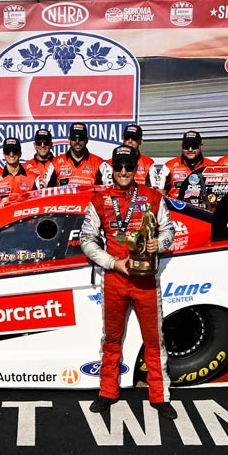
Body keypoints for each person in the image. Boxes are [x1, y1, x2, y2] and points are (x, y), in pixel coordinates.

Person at [80, 145, 176, 416]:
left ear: (136, 169)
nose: (123, 171)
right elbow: (86, 239)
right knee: (111, 338)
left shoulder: (152, 197)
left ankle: (160, 396)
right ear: (112, 169)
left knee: (154, 339)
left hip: (146, 281)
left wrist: (160, 243)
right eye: (119, 166)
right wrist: (113, 263)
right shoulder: (100, 200)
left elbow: (169, 230)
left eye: (129, 166)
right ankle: (107, 391)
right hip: (115, 278)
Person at [157, 130, 216, 199]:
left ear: (201, 146)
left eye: (194, 146)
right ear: (182, 146)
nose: (190, 150)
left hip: (204, 205)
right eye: (186, 146)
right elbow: (159, 191)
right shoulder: (169, 166)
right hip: (177, 205)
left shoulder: (213, 166)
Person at [102, 124, 160, 188]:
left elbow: (155, 188)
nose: (130, 141)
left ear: (141, 141)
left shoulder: (148, 163)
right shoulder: (110, 163)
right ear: (123, 140)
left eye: (134, 138)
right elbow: (108, 187)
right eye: (127, 137)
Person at [53, 122, 105, 186]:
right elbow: (44, 189)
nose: (77, 141)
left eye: (81, 138)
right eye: (74, 138)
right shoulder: (55, 163)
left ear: (86, 140)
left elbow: (109, 189)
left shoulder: (99, 163)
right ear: (69, 140)